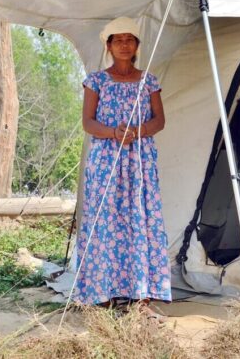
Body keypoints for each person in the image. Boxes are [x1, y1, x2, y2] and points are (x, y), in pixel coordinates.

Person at [74, 17, 171, 315]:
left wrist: (136, 131)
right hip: (105, 160)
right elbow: (88, 122)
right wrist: (115, 133)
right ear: (109, 45)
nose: (125, 45)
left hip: (139, 159)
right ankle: (102, 293)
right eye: (118, 40)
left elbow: (159, 120)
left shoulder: (148, 80)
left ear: (137, 45)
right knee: (105, 220)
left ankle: (141, 295)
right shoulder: (97, 80)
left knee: (140, 218)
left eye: (130, 39)